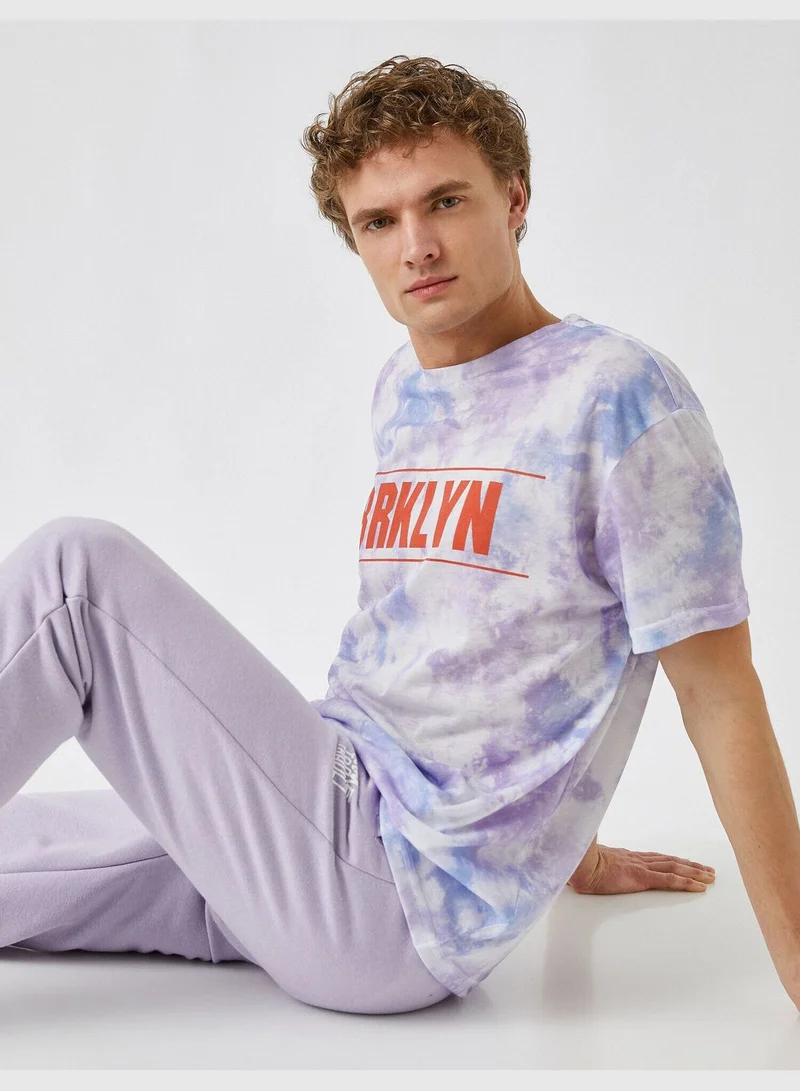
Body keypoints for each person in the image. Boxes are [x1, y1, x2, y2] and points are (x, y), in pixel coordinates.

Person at [1, 53, 798, 1017]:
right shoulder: (403, 387)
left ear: (515, 198)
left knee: (74, 580)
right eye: (380, 221)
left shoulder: (619, 397)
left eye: (445, 202)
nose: (416, 245)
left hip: (392, 898)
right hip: (321, 815)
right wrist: (569, 848)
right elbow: (498, 645)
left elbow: (718, 692)